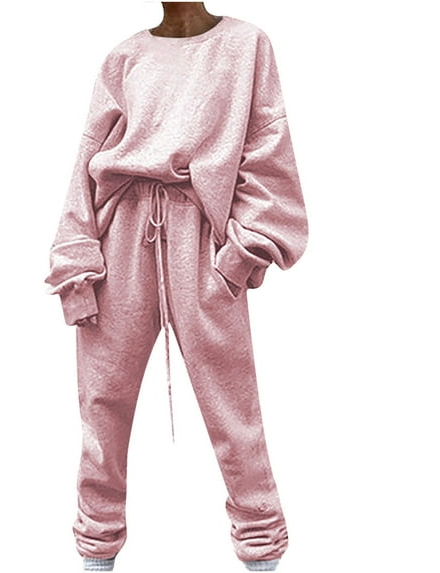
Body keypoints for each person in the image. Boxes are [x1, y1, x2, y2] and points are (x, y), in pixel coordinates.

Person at [43, 3, 308, 571]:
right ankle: (96, 556)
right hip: (119, 240)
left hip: (201, 240)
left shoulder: (247, 46)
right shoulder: (124, 57)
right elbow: (85, 161)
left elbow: (269, 151)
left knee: (234, 414)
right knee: (101, 408)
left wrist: (241, 254)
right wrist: (75, 263)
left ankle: (262, 554)